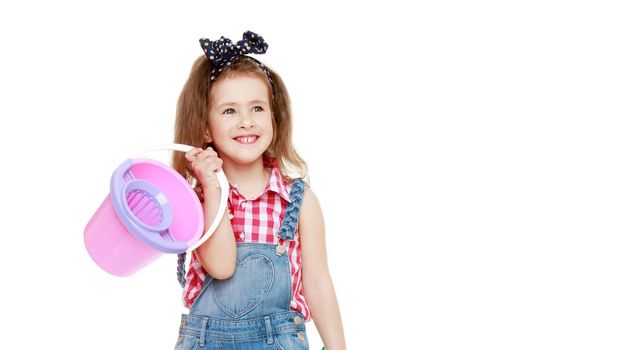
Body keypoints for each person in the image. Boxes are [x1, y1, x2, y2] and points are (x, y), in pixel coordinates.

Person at [171, 31, 346, 350]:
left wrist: (338, 347)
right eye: (229, 111)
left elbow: (318, 283)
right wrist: (212, 186)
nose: (246, 122)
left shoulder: (298, 200)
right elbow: (222, 266)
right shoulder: (196, 200)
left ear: (275, 118)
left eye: (257, 108)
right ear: (206, 127)